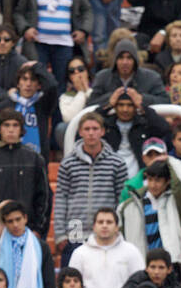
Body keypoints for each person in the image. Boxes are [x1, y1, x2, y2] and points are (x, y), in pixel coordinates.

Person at [53, 112, 127, 267]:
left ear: (102, 131)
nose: (91, 133)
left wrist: (119, 229)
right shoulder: (68, 163)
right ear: (80, 132)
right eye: (87, 129)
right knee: (73, 281)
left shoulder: (117, 162)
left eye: (95, 128)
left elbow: (122, 200)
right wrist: (60, 234)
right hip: (75, 229)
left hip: (106, 231)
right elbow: (61, 197)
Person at [0, 110, 51, 236]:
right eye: (6, 125)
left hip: (28, 231)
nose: (11, 130)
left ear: (21, 129)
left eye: (15, 125)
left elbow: (44, 197)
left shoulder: (35, 159)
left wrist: (38, 229)